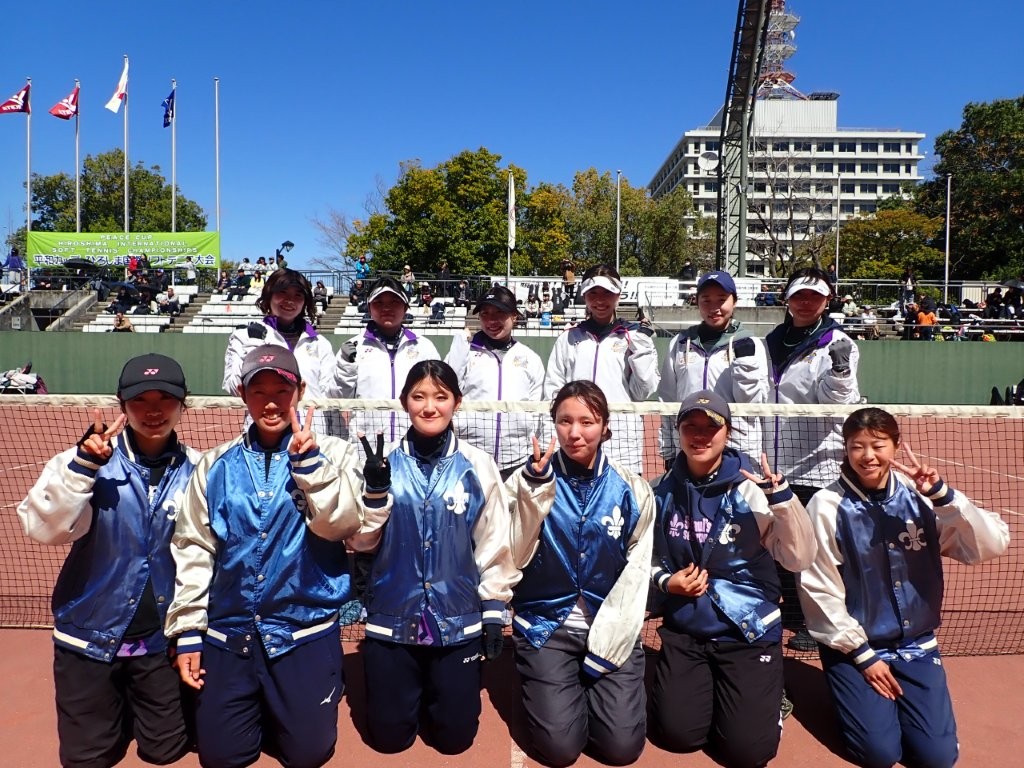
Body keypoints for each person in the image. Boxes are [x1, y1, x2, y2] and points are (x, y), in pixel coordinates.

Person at [167, 345, 363, 768]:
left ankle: (300, 698)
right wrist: (188, 631)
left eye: (281, 391)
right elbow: (194, 546)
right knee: (221, 758)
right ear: (242, 393)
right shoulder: (215, 464)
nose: (271, 403)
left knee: (308, 754)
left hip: (303, 631)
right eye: (259, 391)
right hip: (229, 631)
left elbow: (342, 526)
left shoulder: (337, 454)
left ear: (301, 391)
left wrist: (311, 467)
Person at [797, 407, 1009, 768]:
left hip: (916, 646)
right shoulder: (826, 505)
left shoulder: (920, 496)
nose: (868, 456)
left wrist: (943, 496)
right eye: (857, 446)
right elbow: (819, 588)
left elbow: (990, 544)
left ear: (896, 445)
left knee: (937, 758)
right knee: (879, 754)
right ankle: (852, 693)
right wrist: (861, 654)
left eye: (878, 445)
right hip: (858, 645)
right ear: (845, 449)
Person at [18, 354, 197, 768]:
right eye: (140, 400)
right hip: (88, 639)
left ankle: (134, 704)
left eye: (165, 399)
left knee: (165, 751)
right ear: (122, 405)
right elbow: (43, 529)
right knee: (88, 758)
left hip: (159, 642)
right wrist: (83, 470)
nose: (153, 411)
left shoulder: (198, 468)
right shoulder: (83, 460)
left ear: (183, 404)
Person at [347, 360, 519, 754]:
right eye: (419, 396)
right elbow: (361, 542)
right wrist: (375, 494)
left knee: (455, 740)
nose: (429, 407)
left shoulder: (478, 465)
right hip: (393, 618)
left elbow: (494, 541)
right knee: (389, 740)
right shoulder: (381, 464)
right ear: (404, 402)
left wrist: (494, 610)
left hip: (457, 619)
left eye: (440, 397)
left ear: (457, 401)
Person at [650, 390, 816, 768]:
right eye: (690, 426)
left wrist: (783, 502)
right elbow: (646, 556)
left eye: (711, 426)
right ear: (678, 431)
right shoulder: (661, 490)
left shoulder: (751, 491)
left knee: (747, 753)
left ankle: (771, 696)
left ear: (727, 432)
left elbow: (799, 558)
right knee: (677, 735)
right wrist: (666, 581)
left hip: (746, 629)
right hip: (687, 628)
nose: (700, 435)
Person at [508, 380, 654, 767]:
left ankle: (589, 690)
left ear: (604, 427)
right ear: (553, 424)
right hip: (546, 626)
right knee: (560, 750)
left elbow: (637, 574)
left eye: (587, 422)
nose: (575, 433)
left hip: (611, 627)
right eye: (564, 421)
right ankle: (550, 684)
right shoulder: (525, 480)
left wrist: (616, 637)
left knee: (621, 749)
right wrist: (534, 494)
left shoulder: (633, 489)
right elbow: (513, 556)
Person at [764, 266, 860, 653]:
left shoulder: (838, 342)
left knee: (815, 549)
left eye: (814, 296)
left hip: (816, 463)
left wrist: (839, 370)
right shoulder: (771, 341)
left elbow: (837, 404)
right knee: (780, 545)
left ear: (827, 300)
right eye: (799, 295)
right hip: (774, 462)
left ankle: (813, 618)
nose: (806, 302)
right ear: (787, 299)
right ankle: (791, 610)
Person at [544, 264, 660, 475]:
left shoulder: (635, 337)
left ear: (618, 295)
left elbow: (643, 391)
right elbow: (554, 390)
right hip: (577, 442)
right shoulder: (568, 338)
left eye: (607, 293)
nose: (599, 300)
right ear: (584, 296)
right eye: (593, 293)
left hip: (622, 446)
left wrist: (641, 349)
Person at [658, 270, 768, 470]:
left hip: (736, 450)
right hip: (691, 448)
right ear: (697, 301)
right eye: (706, 300)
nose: (714, 307)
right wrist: (669, 450)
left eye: (721, 299)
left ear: (734, 301)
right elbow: (667, 401)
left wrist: (745, 367)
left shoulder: (750, 343)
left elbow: (754, 405)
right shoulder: (679, 343)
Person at [445, 285, 546, 479]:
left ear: (514, 316)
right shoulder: (464, 352)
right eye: (485, 314)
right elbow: (446, 391)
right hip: (470, 457)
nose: (491, 320)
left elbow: (538, 412)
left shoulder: (530, 358)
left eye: (499, 313)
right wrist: (459, 347)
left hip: (517, 460)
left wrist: (537, 450)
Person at [223, 268, 337, 435]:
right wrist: (253, 351)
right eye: (282, 293)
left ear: (305, 302)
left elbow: (330, 395)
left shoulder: (320, 343)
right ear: (269, 296)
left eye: (298, 295)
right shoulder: (244, 337)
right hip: (263, 437)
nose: (290, 300)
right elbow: (234, 387)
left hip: (311, 436)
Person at [334, 275, 440, 443]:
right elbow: (338, 398)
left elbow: (437, 393)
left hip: (414, 444)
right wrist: (345, 366)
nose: (386, 308)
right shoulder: (353, 348)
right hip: (366, 445)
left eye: (394, 302)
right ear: (369, 308)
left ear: (405, 307)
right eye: (379, 302)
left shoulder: (425, 347)